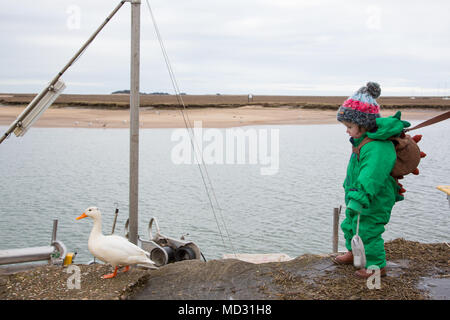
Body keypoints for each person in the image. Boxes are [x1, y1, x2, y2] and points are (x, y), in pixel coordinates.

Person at [334, 82, 407, 279]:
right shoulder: (362, 142)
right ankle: (354, 253)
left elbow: (371, 176)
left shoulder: (378, 148)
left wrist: (358, 196)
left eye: (349, 126)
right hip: (360, 195)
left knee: (368, 230)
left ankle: (377, 266)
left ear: (363, 124)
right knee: (350, 224)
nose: (347, 131)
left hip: (376, 197)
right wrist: (353, 194)